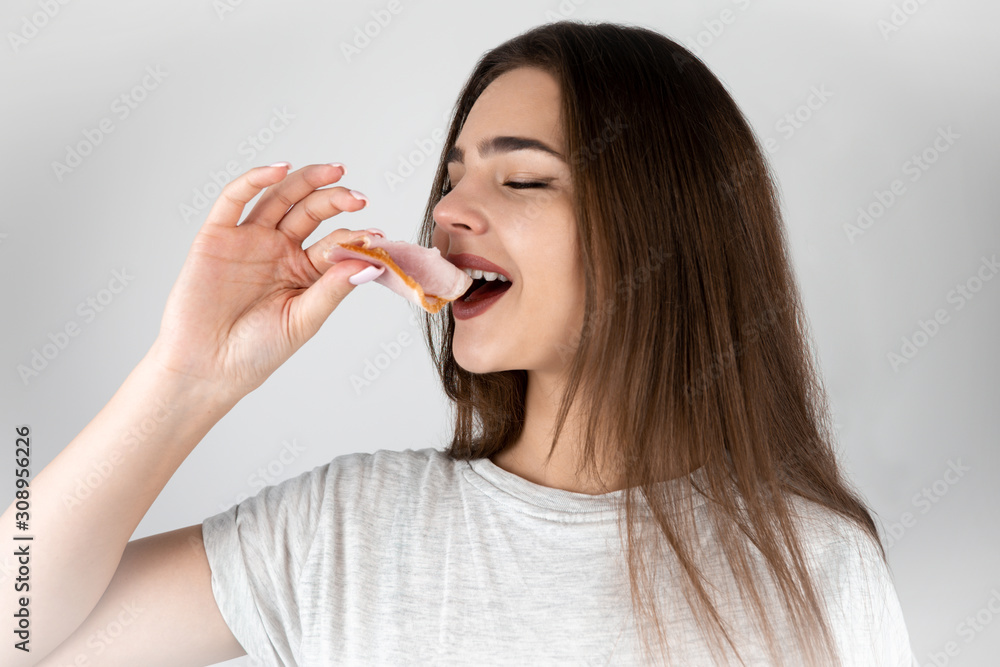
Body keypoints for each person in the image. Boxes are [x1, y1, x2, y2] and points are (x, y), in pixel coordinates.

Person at [4, 21, 915, 666]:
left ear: (663, 229)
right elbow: (16, 628)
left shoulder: (813, 565)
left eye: (522, 177)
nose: (443, 213)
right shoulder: (347, 530)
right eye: (450, 177)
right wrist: (186, 377)